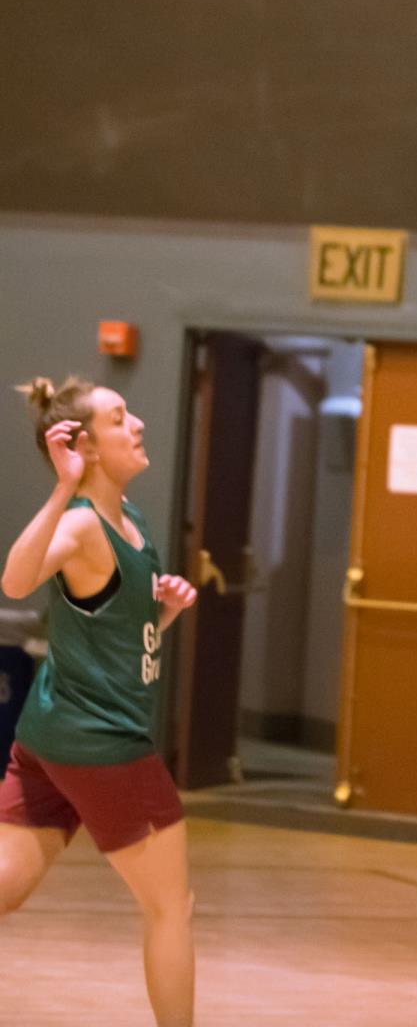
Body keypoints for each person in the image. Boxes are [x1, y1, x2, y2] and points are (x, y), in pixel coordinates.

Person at [0, 376, 199, 1027]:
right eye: (119, 418)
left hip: (49, 740)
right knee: (172, 908)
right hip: (104, 746)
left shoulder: (130, 520)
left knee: (7, 882)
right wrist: (62, 487)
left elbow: (119, 638)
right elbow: (16, 578)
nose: (137, 423)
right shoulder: (83, 525)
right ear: (84, 445)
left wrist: (162, 612)